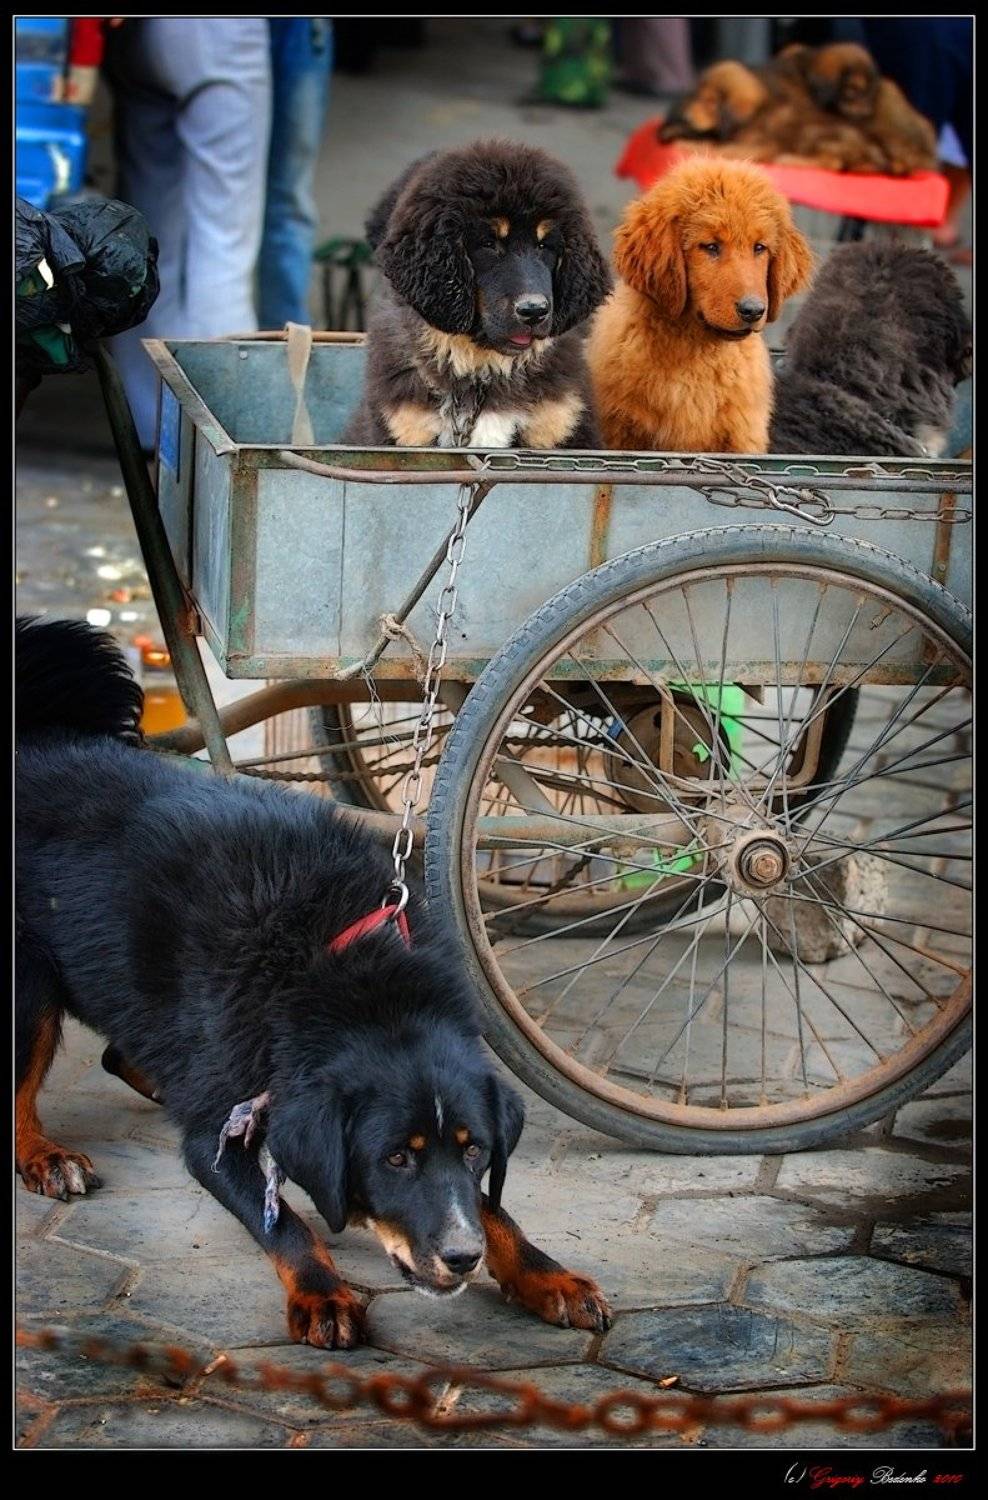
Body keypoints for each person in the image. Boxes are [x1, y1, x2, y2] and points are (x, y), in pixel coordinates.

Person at [103, 18, 272, 449]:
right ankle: (220, 445)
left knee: (145, 239)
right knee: (224, 239)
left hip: (137, 34)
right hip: (219, 32)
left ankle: (150, 430)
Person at [258, 19, 334, 330]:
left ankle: (287, 350)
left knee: (288, 201)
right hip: (218, 31)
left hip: (298, 28)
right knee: (223, 215)